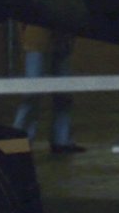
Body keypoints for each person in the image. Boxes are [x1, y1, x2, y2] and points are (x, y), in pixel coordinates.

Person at [14, 22, 83, 154]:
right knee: (32, 94)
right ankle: (21, 141)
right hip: (37, 39)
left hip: (62, 38)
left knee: (64, 93)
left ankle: (62, 140)